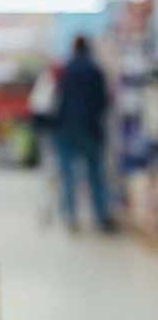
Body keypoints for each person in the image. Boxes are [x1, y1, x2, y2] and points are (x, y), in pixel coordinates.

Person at [53, 35, 114, 232]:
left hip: (66, 128)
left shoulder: (66, 70)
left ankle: (72, 217)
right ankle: (101, 216)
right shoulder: (96, 70)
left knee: (69, 174)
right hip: (90, 128)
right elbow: (103, 101)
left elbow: (58, 99)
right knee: (95, 173)